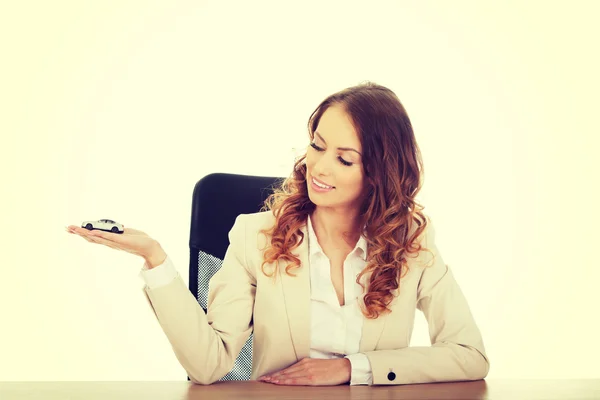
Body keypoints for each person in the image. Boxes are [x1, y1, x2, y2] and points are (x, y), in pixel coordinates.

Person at [66, 81, 489, 386]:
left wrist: (350, 369)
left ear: (380, 173)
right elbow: (209, 365)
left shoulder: (411, 241)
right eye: (318, 145)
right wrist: (155, 259)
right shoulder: (255, 236)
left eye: (345, 159)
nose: (319, 167)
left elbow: (470, 357)